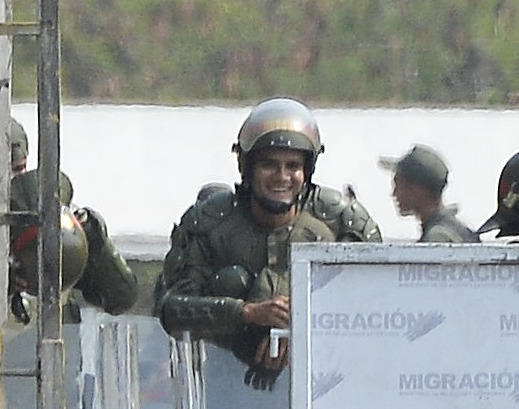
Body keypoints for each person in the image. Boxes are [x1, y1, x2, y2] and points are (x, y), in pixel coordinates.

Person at [153, 97, 383, 389]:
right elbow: (173, 310)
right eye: (269, 165)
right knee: (231, 279)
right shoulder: (210, 223)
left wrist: (300, 327)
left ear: (307, 171)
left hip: (329, 381)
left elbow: (377, 307)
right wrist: (245, 312)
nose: (282, 177)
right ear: (247, 167)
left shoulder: (341, 222)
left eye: (293, 166)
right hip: (225, 380)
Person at [0, 115, 135, 321]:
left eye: (19, 170)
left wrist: (96, 241)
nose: (12, 182)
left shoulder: (57, 227)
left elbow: (120, 297)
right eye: (0, 172)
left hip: (46, 356)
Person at [388, 146, 476, 245]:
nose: (394, 194)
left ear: (418, 190)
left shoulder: (437, 238)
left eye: (399, 186)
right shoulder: (455, 229)